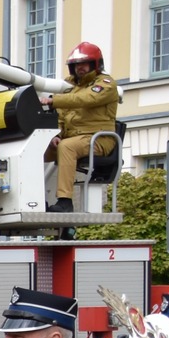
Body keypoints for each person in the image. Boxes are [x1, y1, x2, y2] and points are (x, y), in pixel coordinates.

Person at [45, 42, 118, 214]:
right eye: (76, 65)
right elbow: (61, 116)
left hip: (98, 138)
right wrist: (56, 135)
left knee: (67, 147)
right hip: (72, 137)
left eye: (85, 64)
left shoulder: (106, 84)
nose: (80, 68)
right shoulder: (68, 86)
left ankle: (65, 201)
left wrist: (53, 100)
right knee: (35, 150)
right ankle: (34, 197)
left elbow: (86, 99)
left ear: (96, 64)